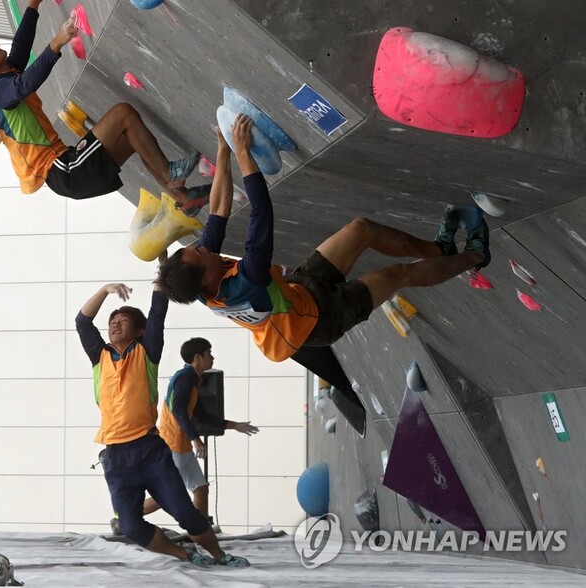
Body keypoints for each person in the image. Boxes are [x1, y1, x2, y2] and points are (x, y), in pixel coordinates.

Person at [154, 116, 491, 433]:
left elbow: (217, 209)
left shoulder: (199, 279)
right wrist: (244, 153)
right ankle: (476, 254)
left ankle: (439, 249)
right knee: (398, 274)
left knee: (361, 229)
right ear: (204, 278)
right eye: (198, 252)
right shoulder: (247, 282)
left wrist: (223, 149)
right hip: (320, 320)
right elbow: (261, 209)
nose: (203, 247)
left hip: (298, 291)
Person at [0, 0, 209, 212]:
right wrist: (57, 42)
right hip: (64, 170)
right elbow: (24, 85)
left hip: (66, 171)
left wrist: (34, 5)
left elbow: (21, 49)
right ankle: (169, 174)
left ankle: (183, 198)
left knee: (133, 138)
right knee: (123, 114)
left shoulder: (1, 80)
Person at [75, 273, 248, 567]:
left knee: (186, 512)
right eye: (112, 320)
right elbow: (82, 321)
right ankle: (186, 554)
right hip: (116, 457)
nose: (115, 322)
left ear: (140, 331)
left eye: (124, 318)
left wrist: (163, 271)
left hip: (149, 450)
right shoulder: (99, 356)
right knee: (129, 526)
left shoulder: (146, 351)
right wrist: (105, 290)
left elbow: (158, 313)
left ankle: (221, 556)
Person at [141, 337, 258, 520]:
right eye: (208, 353)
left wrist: (235, 425)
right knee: (166, 494)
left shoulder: (193, 379)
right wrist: (196, 439)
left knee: (201, 489)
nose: (212, 358)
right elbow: (178, 409)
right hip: (173, 444)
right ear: (198, 357)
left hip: (183, 445)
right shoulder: (184, 377)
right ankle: (123, 519)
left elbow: (201, 415)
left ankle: (201, 530)